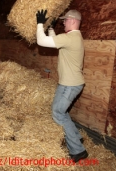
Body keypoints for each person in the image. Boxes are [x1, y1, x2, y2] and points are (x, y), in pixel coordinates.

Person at [36, 9, 88, 163]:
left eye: (65, 20)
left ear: (72, 20)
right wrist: (51, 28)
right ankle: (76, 138)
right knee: (61, 112)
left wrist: (40, 24)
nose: (63, 22)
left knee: (58, 113)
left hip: (69, 85)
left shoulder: (71, 38)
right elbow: (57, 43)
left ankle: (78, 151)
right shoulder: (73, 37)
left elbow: (42, 41)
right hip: (70, 83)